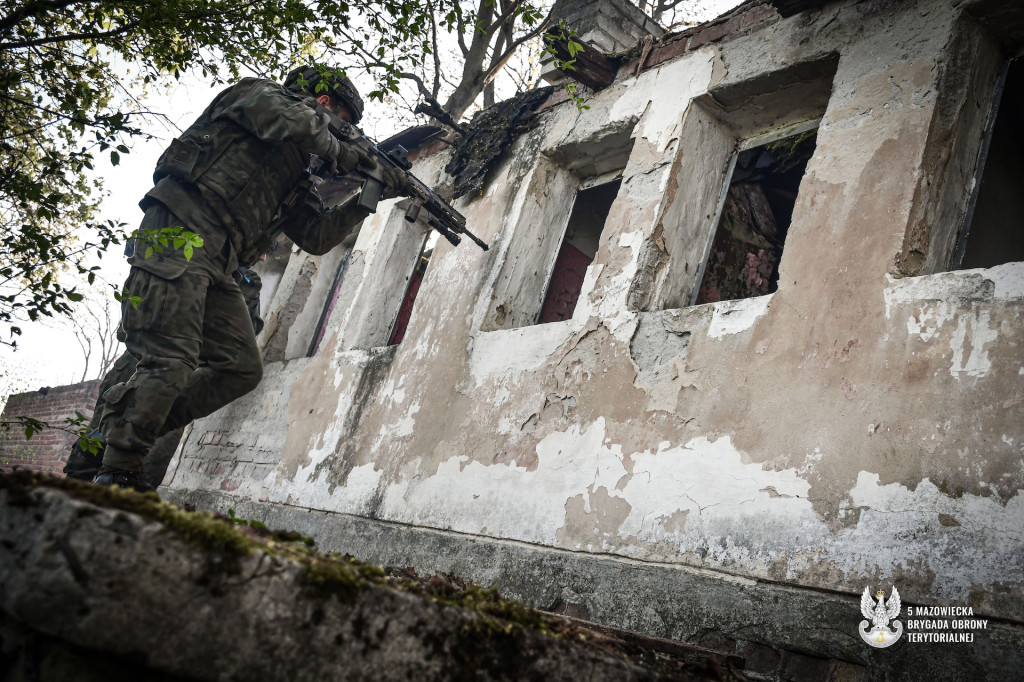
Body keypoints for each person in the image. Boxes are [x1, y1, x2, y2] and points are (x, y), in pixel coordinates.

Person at [89, 65, 401, 492]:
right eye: (343, 124)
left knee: (240, 368)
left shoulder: (294, 168)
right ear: (324, 104)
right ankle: (117, 466)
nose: (341, 136)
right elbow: (288, 119)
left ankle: (124, 430)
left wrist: (371, 192)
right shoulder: (258, 96)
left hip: (218, 263)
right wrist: (349, 153)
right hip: (180, 232)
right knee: (173, 359)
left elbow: (316, 236)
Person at [64, 267, 265, 488]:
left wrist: (247, 292)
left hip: (183, 377)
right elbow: (128, 323)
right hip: (140, 361)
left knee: (145, 469)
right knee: (93, 450)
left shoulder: (243, 280)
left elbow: (245, 336)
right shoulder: (192, 248)